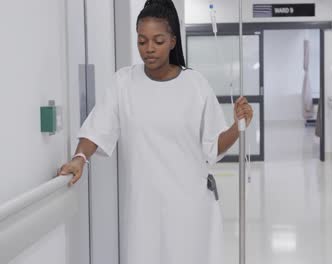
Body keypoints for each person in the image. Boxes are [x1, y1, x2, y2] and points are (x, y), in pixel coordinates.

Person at [57, 0, 253, 263]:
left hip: (191, 210)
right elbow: (96, 128)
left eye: (158, 41)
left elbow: (212, 147)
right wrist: (79, 159)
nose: (149, 49)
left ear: (172, 41)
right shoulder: (124, 83)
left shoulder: (195, 85)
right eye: (142, 41)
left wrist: (238, 127)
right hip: (144, 212)